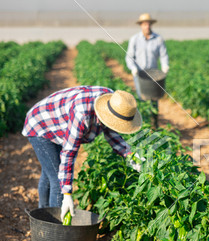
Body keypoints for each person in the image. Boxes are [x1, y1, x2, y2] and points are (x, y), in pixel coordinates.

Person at [22, 86, 143, 222]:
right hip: (40, 125)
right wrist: (67, 194)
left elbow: (112, 132)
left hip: (59, 125)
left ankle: (42, 216)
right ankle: (53, 226)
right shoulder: (82, 113)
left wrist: (131, 156)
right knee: (56, 178)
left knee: (49, 170)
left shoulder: (114, 103)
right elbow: (68, 154)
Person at [126, 13, 169, 126]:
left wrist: (165, 66)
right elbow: (129, 57)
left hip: (154, 74)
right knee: (142, 98)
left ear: (151, 25)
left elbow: (163, 55)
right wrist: (133, 68)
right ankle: (142, 124)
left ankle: (154, 124)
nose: (147, 26)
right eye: (144, 24)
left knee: (154, 99)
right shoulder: (134, 39)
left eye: (148, 24)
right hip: (139, 74)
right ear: (141, 25)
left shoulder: (158, 39)